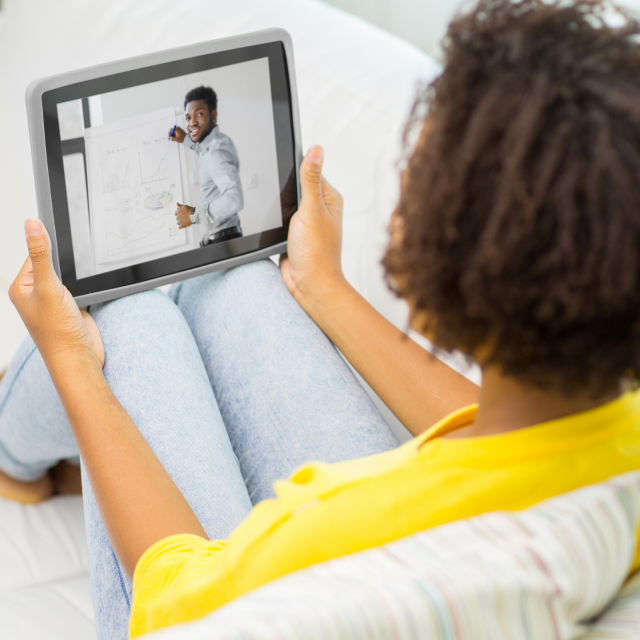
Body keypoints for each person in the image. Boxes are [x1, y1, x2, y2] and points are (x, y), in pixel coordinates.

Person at [2, 0, 640, 638]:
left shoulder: (326, 525)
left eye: (417, 182)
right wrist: (322, 287)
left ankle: (11, 455)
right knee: (237, 280)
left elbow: (177, 601)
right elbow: (514, 430)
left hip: (217, 608)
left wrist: (72, 364)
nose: (401, 206)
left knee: (129, 316)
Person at [169, 85, 244, 246]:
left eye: (199, 114)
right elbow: (203, 151)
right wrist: (185, 139)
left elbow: (235, 198)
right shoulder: (215, 143)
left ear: (213, 115)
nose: (192, 123)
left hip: (222, 241)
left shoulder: (216, 151)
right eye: (188, 118)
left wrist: (193, 215)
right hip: (223, 239)